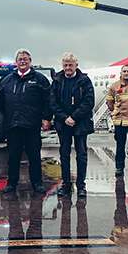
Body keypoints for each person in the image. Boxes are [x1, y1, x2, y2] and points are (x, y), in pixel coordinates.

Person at [0, 49, 52, 194]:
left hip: (32, 125)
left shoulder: (39, 79)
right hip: (13, 125)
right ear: (16, 62)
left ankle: (37, 183)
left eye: (25, 59)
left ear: (30, 61)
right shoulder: (7, 80)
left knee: (34, 156)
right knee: (13, 157)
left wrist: (46, 118)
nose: (22, 61)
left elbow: (48, 100)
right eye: (20, 59)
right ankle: (11, 184)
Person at [50, 52, 94, 197]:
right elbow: (53, 102)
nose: (68, 68)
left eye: (70, 65)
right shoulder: (57, 80)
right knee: (64, 154)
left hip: (80, 123)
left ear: (76, 65)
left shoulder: (85, 80)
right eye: (65, 65)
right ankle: (66, 184)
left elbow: (89, 102)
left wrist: (74, 117)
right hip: (63, 124)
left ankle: (81, 186)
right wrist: (64, 118)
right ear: (62, 66)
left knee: (81, 155)